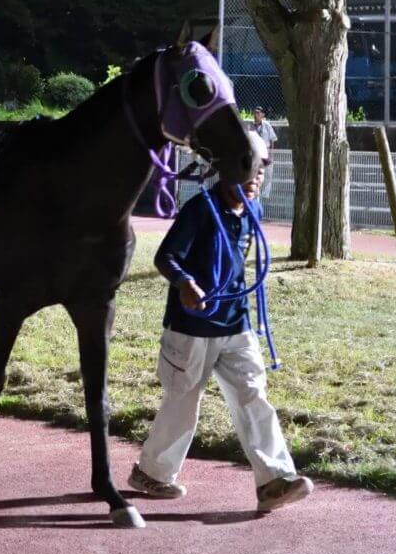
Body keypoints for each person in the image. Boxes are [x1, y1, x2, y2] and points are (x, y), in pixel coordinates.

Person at [129, 130, 313, 512]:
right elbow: (166, 257)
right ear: (225, 171)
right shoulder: (200, 209)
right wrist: (185, 283)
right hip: (192, 326)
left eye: (260, 171)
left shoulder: (254, 212)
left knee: (253, 396)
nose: (255, 179)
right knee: (183, 402)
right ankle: (152, 474)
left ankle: (274, 481)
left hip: (236, 323)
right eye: (247, 171)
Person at [249, 107, 278, 200]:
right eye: (255, 112)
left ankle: (265, 196)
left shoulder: (267, 125)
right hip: (255, 155)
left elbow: (272, 139)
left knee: (268, 175)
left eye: (258, 113)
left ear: (262, 115)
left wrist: (271, 154)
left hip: (266, 153)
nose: (255, 114)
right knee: (255, 175)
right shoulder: (250, 125)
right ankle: (256, 195)